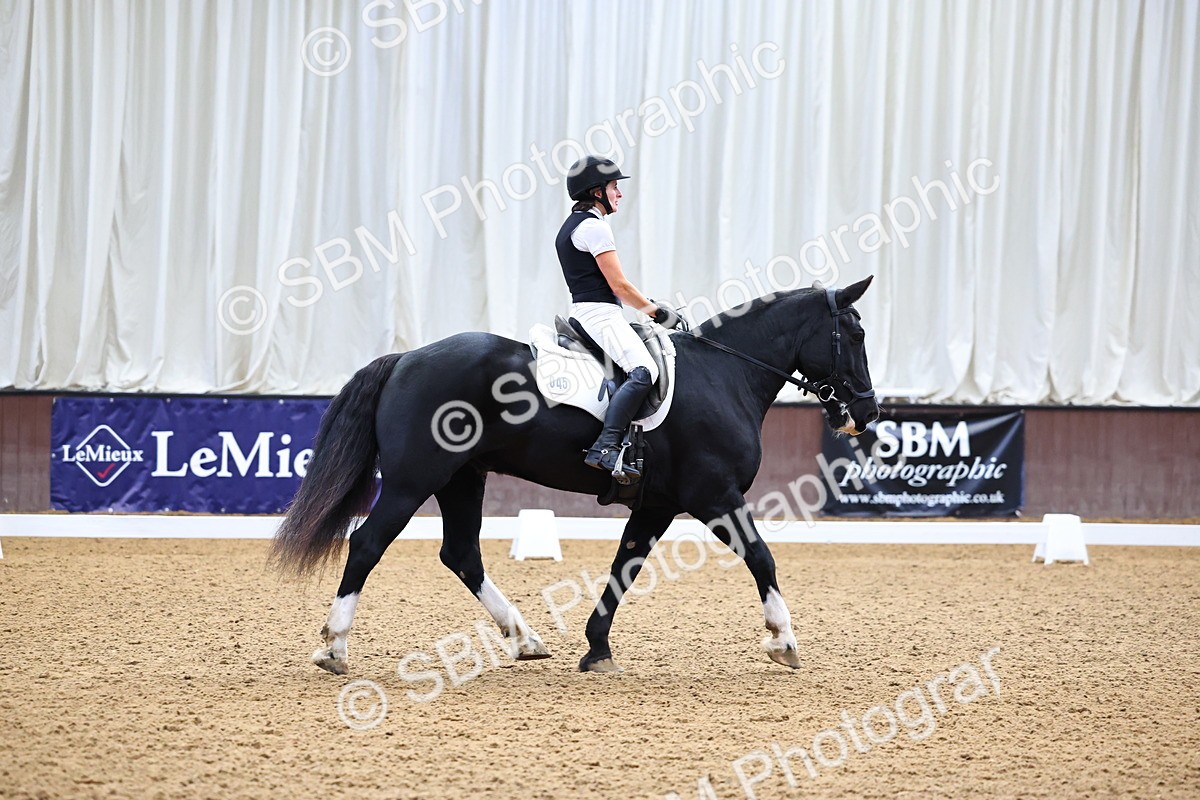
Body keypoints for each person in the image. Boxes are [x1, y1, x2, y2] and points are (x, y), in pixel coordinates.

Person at [556, 155, 686, 480]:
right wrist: (657, 313)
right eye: (615, 187)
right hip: (599, 314)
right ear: (597, 191)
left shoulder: (575, 226)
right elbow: (620, 285)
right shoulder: (594, 228)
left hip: (590, 311)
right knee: (644, 370)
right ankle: (607, 446)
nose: (619, 194)